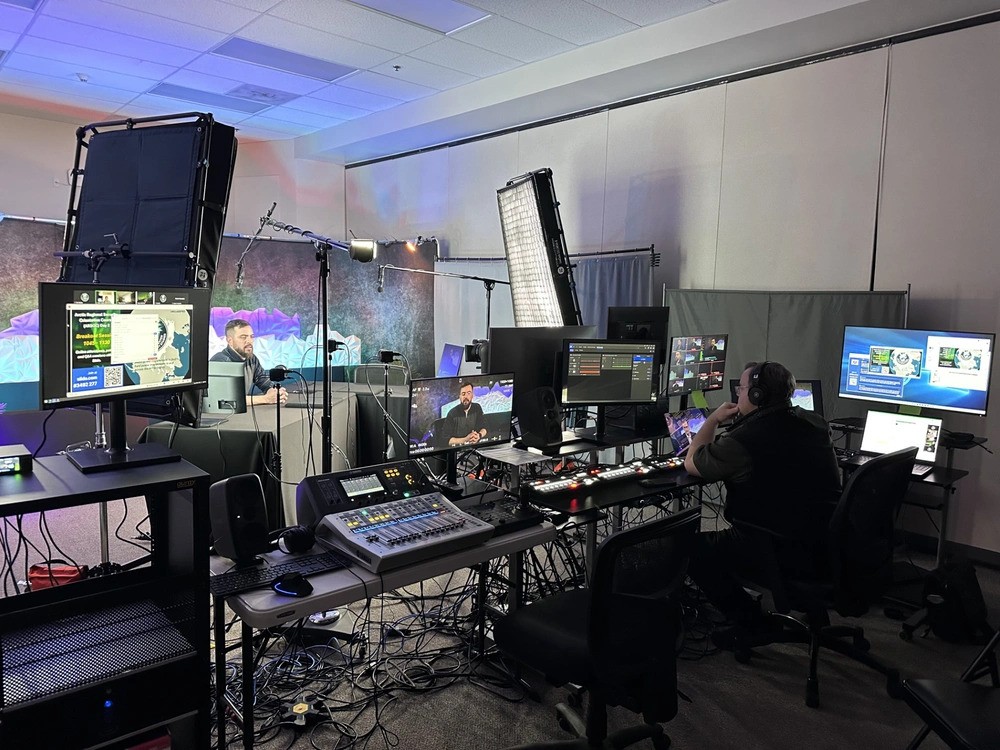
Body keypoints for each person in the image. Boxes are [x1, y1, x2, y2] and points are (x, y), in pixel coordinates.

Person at [683, 360, 841, 644]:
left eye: (742, 389)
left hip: (776, 548)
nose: (738, 395)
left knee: (690, 548)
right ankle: (812, 611)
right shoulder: (815, 423)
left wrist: (712, 420)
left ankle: (749, 621)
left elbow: (693, 462)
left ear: (757, 395)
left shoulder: (743, 441)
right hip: (825, 544)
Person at [211, 319, 287, 406]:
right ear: (230, 341)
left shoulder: (252, 358)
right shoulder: (219, 362)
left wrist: (275, 392)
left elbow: (263, 380)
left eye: (251, 336)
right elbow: (225, 400)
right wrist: (265, 399)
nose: (249, 341)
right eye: (243, 337)